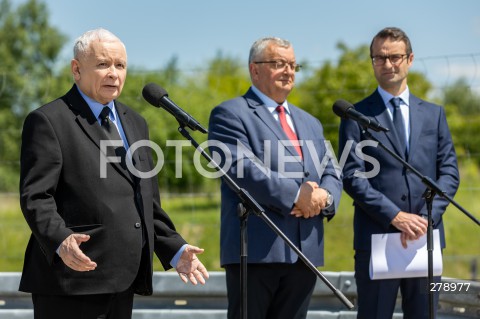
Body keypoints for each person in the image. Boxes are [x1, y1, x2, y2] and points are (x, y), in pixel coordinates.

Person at [19, 28, 209, 319]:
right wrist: (60, 240)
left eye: (120, 65)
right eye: (103, 64)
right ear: (76, 69)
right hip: (72, 280)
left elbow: (146, 202)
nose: (113, 73)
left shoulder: (136, 122)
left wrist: (175, 248)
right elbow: (36, 197)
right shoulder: (48, 121)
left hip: (123, 280)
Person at [208, 37, 342, 319]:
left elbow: (331, 168)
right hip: (257, 252)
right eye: (279, 64)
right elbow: (243, 169)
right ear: (254, 70)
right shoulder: (230, 114)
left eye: (293, 65)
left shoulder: (310, 122)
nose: (288, 71)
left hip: (305, 251)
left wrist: (324, 197)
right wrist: (297, 195)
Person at [338, 27, 459, 319]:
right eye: (379, 58)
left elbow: (450, 172)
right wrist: (395, 216)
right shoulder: (355, 115)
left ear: (410, 59)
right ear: (372, 62)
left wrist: (427, 219)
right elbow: (352, 176)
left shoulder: (434, 114)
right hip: (377, 239)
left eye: (395, 57)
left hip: (424, 242)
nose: (388, 64)